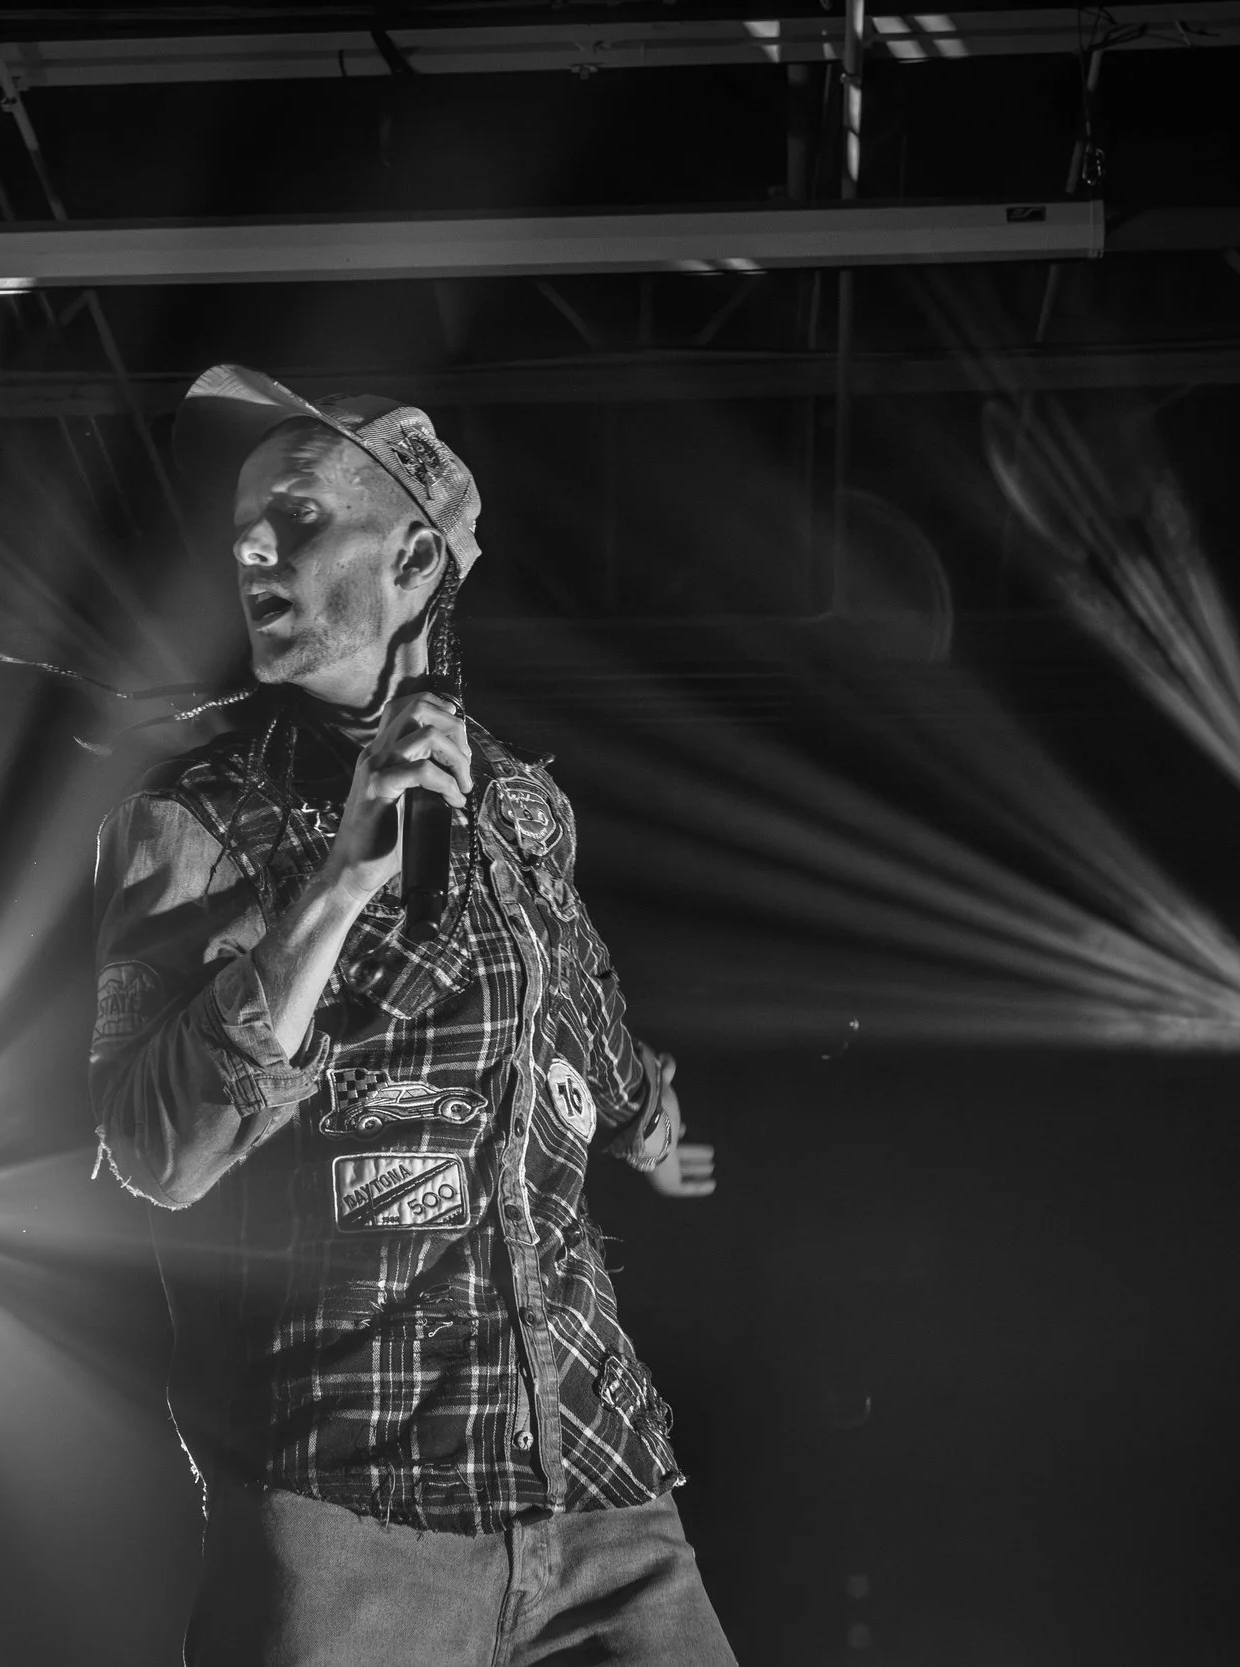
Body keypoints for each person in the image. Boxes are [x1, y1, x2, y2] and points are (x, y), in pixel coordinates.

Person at [89, 363, 735, 1665]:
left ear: (420, 554)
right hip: (353, 1506)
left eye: (304, 514)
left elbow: (586, 1018)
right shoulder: (193, 819)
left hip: (600, 1491)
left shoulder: (525, 812)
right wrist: (341, 880)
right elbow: (154, 1149)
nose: (255, 547)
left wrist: (650, 1123)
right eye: (245, 525)